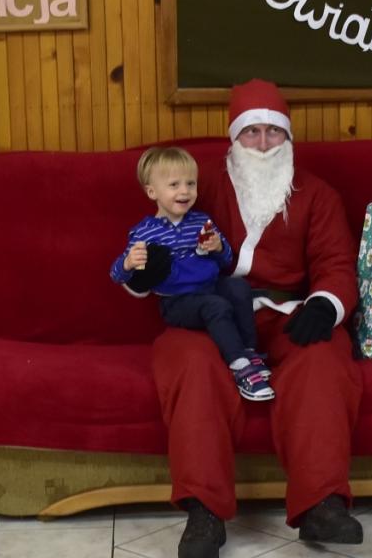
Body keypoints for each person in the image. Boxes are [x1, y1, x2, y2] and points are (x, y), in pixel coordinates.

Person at [152, 79, 363, 558]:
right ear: (234, 137)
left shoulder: (317, 194)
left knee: (324, 358)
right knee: (191, 364)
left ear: (288, 137)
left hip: (286, 312)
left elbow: (336, 264)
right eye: (252, 132)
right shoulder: (198, 185)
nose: (264, 143)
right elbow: (164, 233)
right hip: (211, 313)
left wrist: (325, 305)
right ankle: (204, 512)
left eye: (274, 132)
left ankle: (322, 504)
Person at [110, 146, 275, 402]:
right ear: (152, 192)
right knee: (216, 306)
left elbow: (226, 260)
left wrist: (218, 248)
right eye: (174, 185)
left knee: (239, 287)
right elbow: (116, 274)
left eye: (190, 183)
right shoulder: (144, 232)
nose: (185, 191)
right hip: (177, 301)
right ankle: (240, 366)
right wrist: (129, 262)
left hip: (210, 286)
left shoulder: (201, 221)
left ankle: (249, 350)